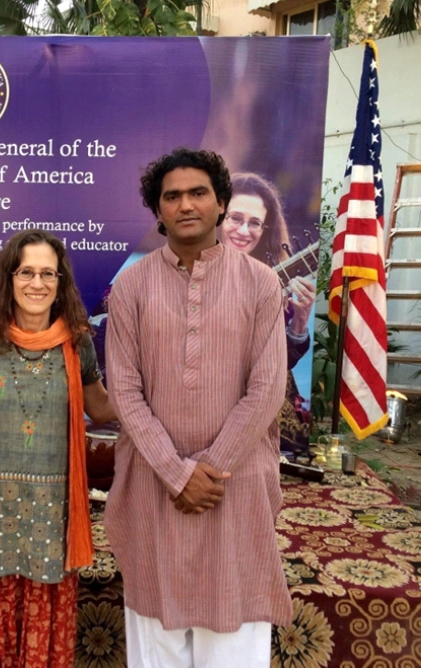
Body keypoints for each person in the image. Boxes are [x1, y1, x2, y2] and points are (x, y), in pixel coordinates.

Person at [105, 148, 293, 668]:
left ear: (220, 204)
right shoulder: (132, 286)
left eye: (198, 193)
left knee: (233, 639)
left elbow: (267, 386)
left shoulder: (260, 282)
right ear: (158, 210)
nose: (185, 204)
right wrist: (174, 472)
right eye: (172, 196)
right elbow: (124, 390)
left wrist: (209, 468)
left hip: (234, 486)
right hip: (152, 485)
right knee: (155, 639)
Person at [0, 229, 115, 668]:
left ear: (61, 283)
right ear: (9, 277)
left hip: (49, 509)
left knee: (43, 615)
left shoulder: (77, 342)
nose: (36, 283)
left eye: (47, 274)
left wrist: (155, 383)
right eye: (26, 272)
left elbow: (101, 410)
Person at [219, 172, 316, 455]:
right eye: (235, 218)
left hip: (252, 395)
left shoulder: (276, 279)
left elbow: (281, 364)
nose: (244, 231)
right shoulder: (182, 266)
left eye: (255, 223)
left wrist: (299, 322)